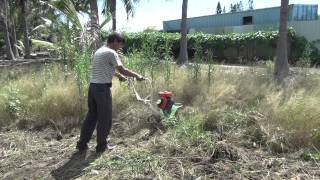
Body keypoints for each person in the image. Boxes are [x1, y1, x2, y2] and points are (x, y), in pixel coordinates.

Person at [76, 32, 145, 153]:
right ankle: (101, 146)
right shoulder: (111, 53)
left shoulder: (99, 51)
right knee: (105, 117)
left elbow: (106, 68)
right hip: (102, 89)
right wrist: (137, 76)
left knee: (91, 116)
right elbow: (123, 69)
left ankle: (82, 144)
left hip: (93, 88)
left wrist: (118, 76)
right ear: (114, 41)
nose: (120, 47)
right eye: (120, 44)